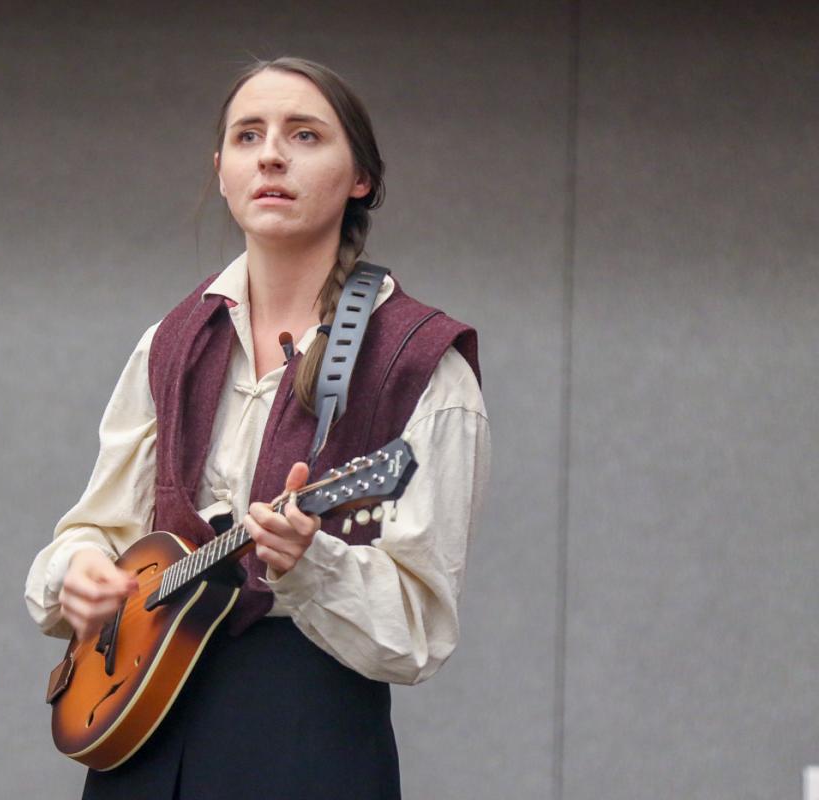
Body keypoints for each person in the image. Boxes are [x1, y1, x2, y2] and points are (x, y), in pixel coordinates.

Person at [25, 57, 491, 800]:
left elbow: (419, 631)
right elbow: (93, 530)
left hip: (303, 738)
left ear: (361, 177)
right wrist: (76, 573)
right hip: (140, 733)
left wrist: (313, 566)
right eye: (249, 136)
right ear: (221, 171)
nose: (271, 153)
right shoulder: (170, 341)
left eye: (304, 135)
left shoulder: (422, 364)